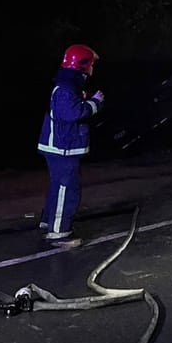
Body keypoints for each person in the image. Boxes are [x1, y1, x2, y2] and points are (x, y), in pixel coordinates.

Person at [37, 44, 104, 247]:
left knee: (59, 186)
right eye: (91, 64)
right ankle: (59, 233)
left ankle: (50, 222)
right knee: (67, 189)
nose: (93, 68)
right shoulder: (66, 88)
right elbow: (71, 113)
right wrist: (95, 103)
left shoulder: (68, 84)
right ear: (82, 65)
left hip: (60, 146)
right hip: (63, 147)